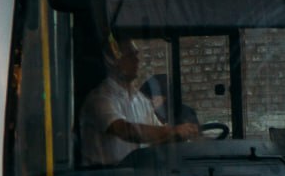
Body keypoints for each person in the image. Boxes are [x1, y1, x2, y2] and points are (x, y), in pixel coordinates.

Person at [80, 37, 198, 166]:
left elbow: (157, 135)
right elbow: (126, 131)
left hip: (136, 175)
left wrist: (181, 135)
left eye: (136, 54)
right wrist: (172, 131)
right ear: (112, 61)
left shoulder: (140, 99)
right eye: (130, 55)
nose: (137, 60)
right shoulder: (100, 99)